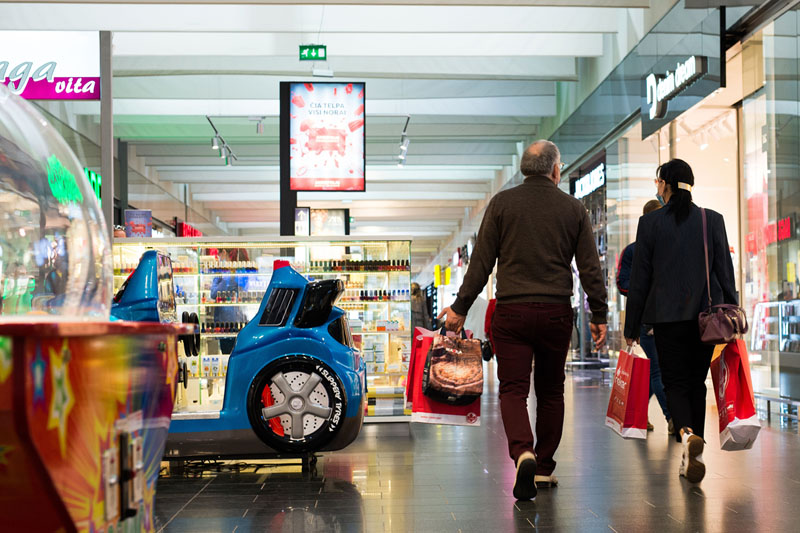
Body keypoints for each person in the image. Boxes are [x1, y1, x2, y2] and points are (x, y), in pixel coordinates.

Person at [438, 140, 608, 501]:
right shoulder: (573, 208)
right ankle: (543, 468)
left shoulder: (502, 204)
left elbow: (481, 263)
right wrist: (600, 314)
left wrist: (459, 308)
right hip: (556, 312)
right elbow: (590, 268)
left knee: (513, 389)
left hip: (512, 311)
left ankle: (523, 452)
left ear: (523, 169)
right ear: (556, 170)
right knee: (550, 391)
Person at [624, 159, 737, 484]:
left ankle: (687, 434)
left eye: (658, 182)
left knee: (673, 382)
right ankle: (692, 452)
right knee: (694, 384)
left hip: (667, 319)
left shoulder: (651, 224)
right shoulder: (711, 220)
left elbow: (641, 281)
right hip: (707, 320)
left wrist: (632, 327)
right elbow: (724, 274)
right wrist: (734, 317)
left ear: (666, 185)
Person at [616, 199, 672, 435]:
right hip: (649, 319)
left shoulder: (669, 247)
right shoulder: (633, 250)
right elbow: (624, 284)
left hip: (668, 318)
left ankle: (637, 413)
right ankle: (673, 418)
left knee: (655, 371)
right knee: (659, 370)